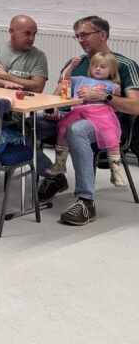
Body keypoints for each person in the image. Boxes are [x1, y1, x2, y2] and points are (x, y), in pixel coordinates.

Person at [34, 16, 139, 226]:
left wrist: (103, 96)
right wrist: (52, 108)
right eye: (77, 36)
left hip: (106, 123)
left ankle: (86, 202)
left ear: (102, 35)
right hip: (70, 115)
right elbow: (58, 95)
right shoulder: (75, 63)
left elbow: (135, 106)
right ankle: (54, 177)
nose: (80, 40)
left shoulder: (125, 65)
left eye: (84, 35)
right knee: (25, 123)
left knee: (76, 129)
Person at [50, 53, 126, 187]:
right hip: (79, 110)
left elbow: (116, 98)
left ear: (111, 71)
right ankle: (60, 164)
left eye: (103, 67)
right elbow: (63, 80)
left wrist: (114, 92)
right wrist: (71, 66)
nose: (98, 69)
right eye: (95, 66)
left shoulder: (110, 84)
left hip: (102, 113)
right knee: (63, 128)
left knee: (111, 137)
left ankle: (116, 173)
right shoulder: (80, 79)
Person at [0, 15, 48, 92]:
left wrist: (7, 77)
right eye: (27, 33)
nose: (32, 38)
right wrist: (4, 82)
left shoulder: (39, 56)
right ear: (12, 31)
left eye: (34, 34)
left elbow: (38, 87)